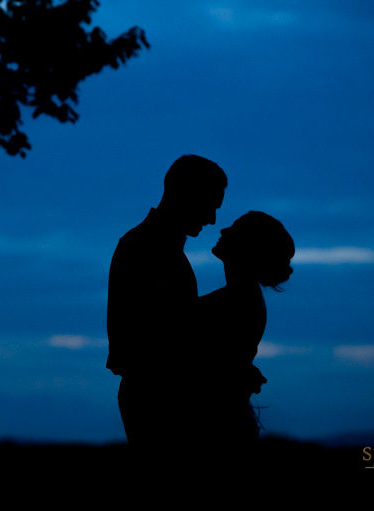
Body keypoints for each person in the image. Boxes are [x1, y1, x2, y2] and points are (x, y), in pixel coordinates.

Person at [105, 155, 227, 457]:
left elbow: (170, 323)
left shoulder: (153, 247)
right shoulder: (146, 248)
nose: (212, 218)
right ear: (185, 193)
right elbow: (161, 333)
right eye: (210, 204)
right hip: (158, 401)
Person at [194, 211, 294, 453]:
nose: (222, 230)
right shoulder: (242, 297)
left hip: (213, 428)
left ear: (250, 247)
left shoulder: (235, 301)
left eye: (234, 228)